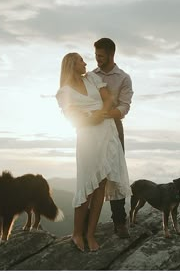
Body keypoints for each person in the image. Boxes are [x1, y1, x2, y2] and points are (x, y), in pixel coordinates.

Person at [56, 52, 131, 252]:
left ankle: (90, 233)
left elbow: (108, 98)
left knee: (100, 186)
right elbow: (72, 117)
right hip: (88, 137)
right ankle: (77, 233)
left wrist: (100, 114)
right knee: (86, 186)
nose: (86, 63)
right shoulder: (64, 92)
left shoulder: (92, 77)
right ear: (72, 64)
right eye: (81, 60)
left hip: (107, 133)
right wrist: (91, 119)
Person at [93, 37, 133, 237]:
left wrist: (110, 113)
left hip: (114, 127)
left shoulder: (123, 78)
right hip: (93, 129)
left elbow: (125, 105)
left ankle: (119, 221)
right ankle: (87, 225)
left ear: (111, 54)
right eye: (96, 55)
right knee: (93, 175)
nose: (97, 59)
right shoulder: (91, 76)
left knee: (115, 174)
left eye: (101, 55)